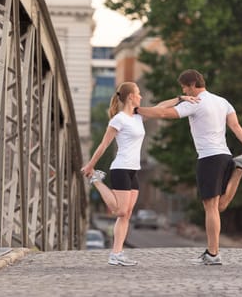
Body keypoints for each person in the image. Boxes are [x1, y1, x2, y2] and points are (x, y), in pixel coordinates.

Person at [135, 69, 242, 265]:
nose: (184, 91)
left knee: (210, 208)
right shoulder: (222, 102)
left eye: (184, 87)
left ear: (192, 85)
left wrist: (136, 110)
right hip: (225, 155)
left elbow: (163, 113)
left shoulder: (195, 103)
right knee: (219, 206)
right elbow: (235, 126)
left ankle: (212, 253)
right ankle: (239, 170)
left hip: (209, 158)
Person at [81, 81, 197, 266]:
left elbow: (159, 107)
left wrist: (180, 98)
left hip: (133, 170)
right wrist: (90, 165)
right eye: (138, 93)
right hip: (120, 168)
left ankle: (116, 254)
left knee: (125, 215)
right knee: (119, 210)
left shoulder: (137, 116)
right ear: (130, 97)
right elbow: (104, 144)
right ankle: (96, 179)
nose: (141, 96)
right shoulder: (118, 119)